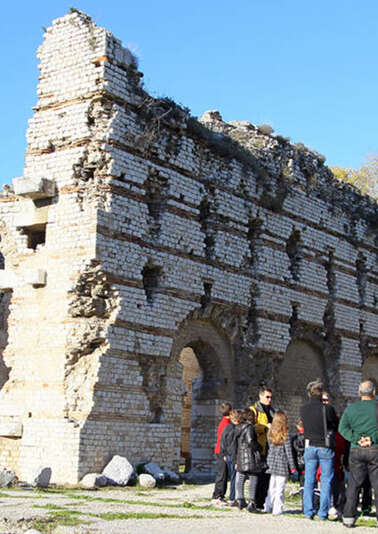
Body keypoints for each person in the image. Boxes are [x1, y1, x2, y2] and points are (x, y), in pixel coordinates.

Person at [339, 380, 378, 528]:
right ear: (373, 392)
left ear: (359, 393)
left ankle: (348, 517)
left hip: (356, 450)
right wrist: (372, 439)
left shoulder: (351, 409)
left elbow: (342, 429)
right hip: (375, 449)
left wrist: (356, 439)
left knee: (354, 484)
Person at [300, 379, 338, 520]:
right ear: (321, 392)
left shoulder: (303, 409)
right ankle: (322, 513)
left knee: (309, 480)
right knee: (326, 480)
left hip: (310, 446)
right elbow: (335, 424)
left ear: (309, 393)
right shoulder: (327, 409)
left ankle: (308, 511)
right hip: (325, 446)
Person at [264, 410, 297, 515]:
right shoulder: (285, 434)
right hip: (282, 463)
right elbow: (288, 452)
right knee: (280, 488)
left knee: (271, 486)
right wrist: (292, 467)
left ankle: (268, 506)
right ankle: (277, 508)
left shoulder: (270, 433)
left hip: (272, 462)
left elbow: (269, 448)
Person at [250, 385, 275, 508]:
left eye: (271, 397)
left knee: (266, 476)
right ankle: (254, 501)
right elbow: (250, 428)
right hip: (259, 447)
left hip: (270, 447)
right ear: (260, 396)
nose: (269, 400)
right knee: (257, 476)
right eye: (267, 397)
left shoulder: (272, 411)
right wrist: (265, 427)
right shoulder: (253, 410)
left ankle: (261, 502)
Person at [234, 408, 262, 512]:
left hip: (241, 456)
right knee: (253, 478)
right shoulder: (249, 427)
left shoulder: (238, 427)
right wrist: (259, 447)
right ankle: (251, 502)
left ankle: (240, 499)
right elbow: (250, 441)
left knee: (241, 477)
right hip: (249, 456)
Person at [211, 401, 232, 506]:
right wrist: (224, 454)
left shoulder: (224, 422)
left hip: (220, 451)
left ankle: (221, 495)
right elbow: (224, 441)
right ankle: (217, 496)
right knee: (222, 475)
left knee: (223, 474)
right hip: (221, 452)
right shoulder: (226, 424)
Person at [220, 409, 240, 506]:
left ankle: (233, 497)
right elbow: (234, 447)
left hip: (227, 455)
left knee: (232, 477)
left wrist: (224, 454)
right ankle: (233, 498)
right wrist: (236, 460)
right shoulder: (235, 430)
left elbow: (222, 442)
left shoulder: (227, 428)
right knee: (234, 478)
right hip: (233, 456)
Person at [291, 418, 305, 510]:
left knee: (302, 483)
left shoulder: (295, 438)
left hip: (299, 463)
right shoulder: (308, 437)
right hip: (307, 462)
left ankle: (303, 502)